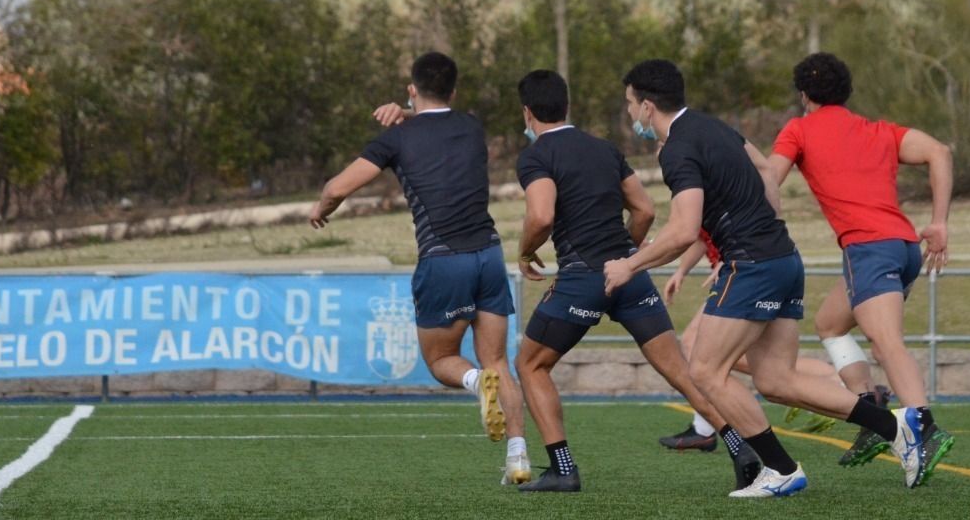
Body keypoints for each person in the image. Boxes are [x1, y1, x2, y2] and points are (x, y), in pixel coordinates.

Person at [603, 59, 928, 497]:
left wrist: (629, 264)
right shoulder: (714, 127)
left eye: (629, 105)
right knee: (776, 380)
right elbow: (764, 172)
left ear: (646, 106)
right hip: (783, 258)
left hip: (752, 265)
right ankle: (895, 426)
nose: (629, 114)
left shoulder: (677, 148)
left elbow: (682, 229)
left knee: (703, 367)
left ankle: (780, 468)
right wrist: (765, 225)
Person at [308, 52, 531, 484]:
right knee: (500, 361)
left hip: (443, 259)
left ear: (412, 88)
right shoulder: (471, 126)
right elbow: (436, 121)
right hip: (488, 254)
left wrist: (322, 207)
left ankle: (473, 382)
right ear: (454, 89)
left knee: (442, 359)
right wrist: (409, 111)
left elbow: (338, 186)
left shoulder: (395, 139)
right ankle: (519, 457)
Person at [509, 70, 729, 492]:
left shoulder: (536, 156)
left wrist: (524, 250)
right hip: (629, 273)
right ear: (567, 106)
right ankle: (743, 449)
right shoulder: (604, 148)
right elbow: (644, 210)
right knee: (681, 372)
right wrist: (624, 257)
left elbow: (541, 216)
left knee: (531, 364)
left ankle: (563, 469)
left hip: (583, 277)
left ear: (528, 112)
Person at [763, 53, 957, 478]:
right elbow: (939, 152)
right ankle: (870, 410)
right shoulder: (877, 130)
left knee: (886, 341)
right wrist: (939, 221)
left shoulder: (798, 129)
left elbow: (767, 182)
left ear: (803, 95)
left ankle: (923, 428)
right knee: (830, 323)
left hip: (869, 250)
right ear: (846, 92)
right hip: (903, 247)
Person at [655, 230, 867, 454]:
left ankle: (837, 384)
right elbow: (700, 237)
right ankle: (705, 428)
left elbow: (748, 221)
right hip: (740, 270)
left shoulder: (715, 197)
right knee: (719, 357)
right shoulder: (702, 202)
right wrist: (681, 270)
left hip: (748, 269)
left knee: (702, 349)